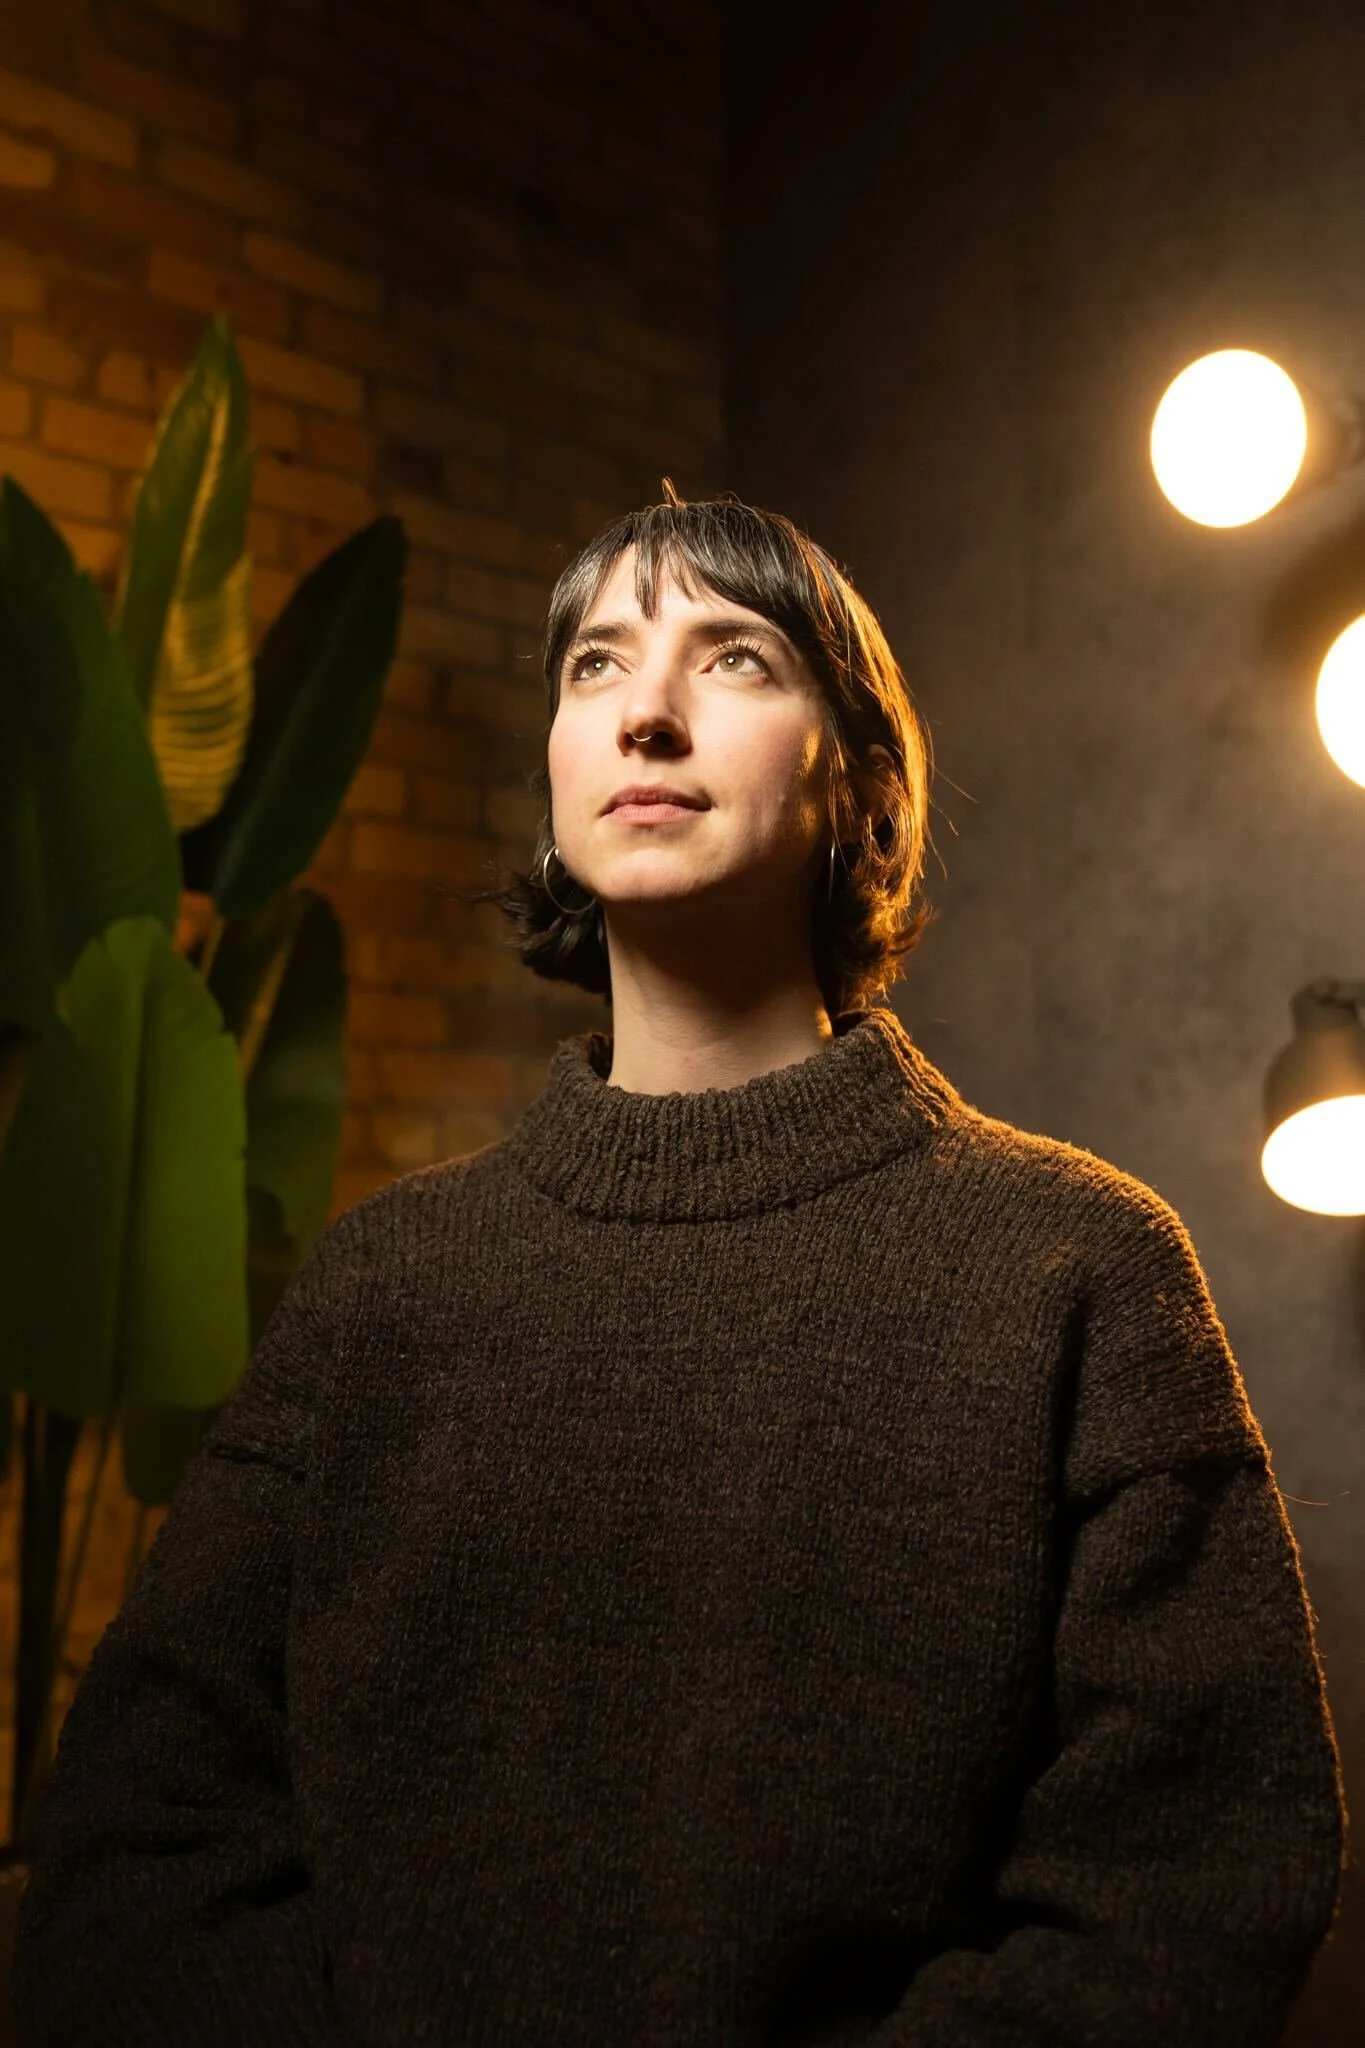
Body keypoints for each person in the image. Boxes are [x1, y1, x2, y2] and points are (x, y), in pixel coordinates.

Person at [12, 487, 1347, 2046]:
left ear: (859, 782)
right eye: (593, 664)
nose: (644, 712)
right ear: (558, 781)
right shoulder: (385, 1290)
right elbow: (138, 1856)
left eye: (732, 659)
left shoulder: (1077, 1267)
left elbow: (1190, 1884)